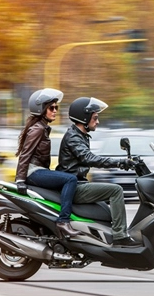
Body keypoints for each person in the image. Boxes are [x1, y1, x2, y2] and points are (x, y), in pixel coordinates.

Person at [56, 97, 139, 247]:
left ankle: (101, 237)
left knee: (105, 207)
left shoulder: (79, 135)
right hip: (74, 186)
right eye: (95, 118)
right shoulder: (73, 137)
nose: (98, 121)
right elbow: (89, 158)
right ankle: (120, 236)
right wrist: (119, 162)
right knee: (116, 191)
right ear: (84, 117)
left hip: (78, 183)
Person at [15, 88, 80, 236]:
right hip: (33, 172)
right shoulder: (37, 129)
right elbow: (25, 154)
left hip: (39, 170)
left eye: (56, 107)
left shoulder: (42, 128)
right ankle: (63, 221)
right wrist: (20, 180)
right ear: (41, 109)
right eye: (51, 107)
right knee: (70, 179)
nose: (55, 110)